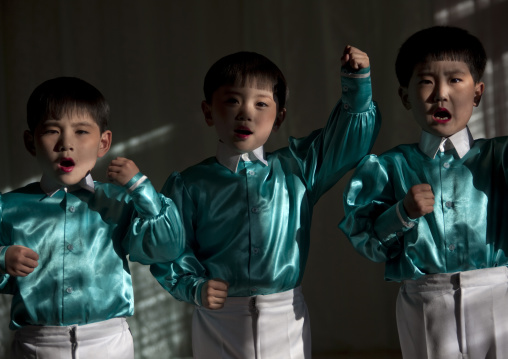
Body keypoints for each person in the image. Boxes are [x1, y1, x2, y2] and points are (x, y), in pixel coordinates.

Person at [151, 47, 381, 358]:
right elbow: (169, 247)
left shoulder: (297, 169)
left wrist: (358, 81)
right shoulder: (189, 184)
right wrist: (193, 287)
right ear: (208, 111)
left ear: (279, 117)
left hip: (285, 314)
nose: (246, 113)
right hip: (218, 318)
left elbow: (348, 140)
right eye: (232, 101)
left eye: (261, 103)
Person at [338, 26, 508, 358]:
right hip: (426, 301)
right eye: (427, 81)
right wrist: (402, 213)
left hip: (497, 296)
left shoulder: (498, 158)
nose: (440, 93)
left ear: (478, 93)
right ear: (405, 96)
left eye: (456, 80)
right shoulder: (389, 167)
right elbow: (368, 241)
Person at [0, 76, 184, 359]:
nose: (66, 144)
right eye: (51, 131)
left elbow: (167, 249)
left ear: (103, 142)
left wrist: (141, 188)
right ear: (30, 141)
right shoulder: (8, 206)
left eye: (81, 132)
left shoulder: (120, 200)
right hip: (36, 345)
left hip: (109, 343)